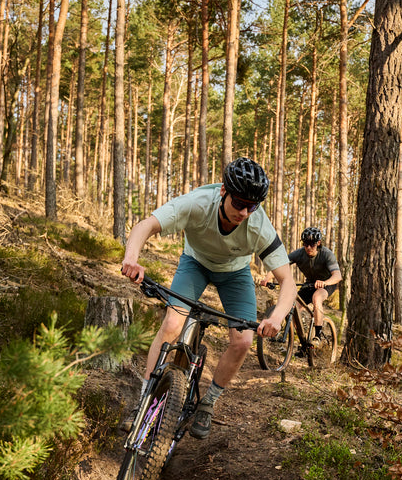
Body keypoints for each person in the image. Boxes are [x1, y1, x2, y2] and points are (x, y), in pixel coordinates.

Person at [120, 157, 297, 439]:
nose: (245, 212)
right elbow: (146, 225)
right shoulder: (198, 203)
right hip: (195, 263)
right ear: (224, 192)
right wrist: (132, 259)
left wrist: (277, 317)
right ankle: (144, 401)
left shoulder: (258, 225)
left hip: (235, 272)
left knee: (243, 341)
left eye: (252, 206)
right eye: (239, 203)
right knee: (171, 325)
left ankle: (208, 403)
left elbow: (287, 280)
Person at [285, 226, 341, 347]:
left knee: (317, 298)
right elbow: (281, 263)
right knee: (293, 306)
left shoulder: (326, 254)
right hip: (309, 283)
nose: (308, 247)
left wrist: (325, 282)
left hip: (327, 284)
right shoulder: (299, 253)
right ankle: (303, 341)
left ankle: (318, 336)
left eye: (312, 244)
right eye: (306, 244)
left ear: (318, 243)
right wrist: (267, 278)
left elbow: (337, 276)